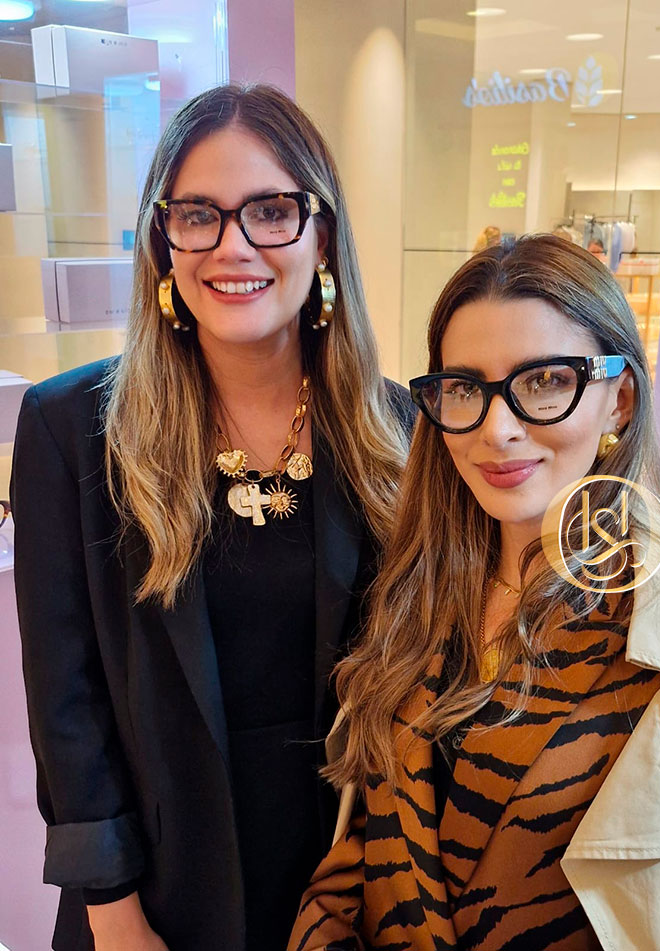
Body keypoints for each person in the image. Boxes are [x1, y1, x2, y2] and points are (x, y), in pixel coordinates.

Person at [11, 83, 414, 951]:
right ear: (163, 241)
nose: (234, 246)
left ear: (322, 235)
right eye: (198, 215)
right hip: (155, 892)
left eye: (270, 210)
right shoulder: (71, 430)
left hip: (349, 880)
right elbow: (66, 706)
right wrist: (113, 911)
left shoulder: (395, 431)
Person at [289, 234, 660, 951]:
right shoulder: (416, 592)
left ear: (619, 400)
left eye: (545, 381)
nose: (497, 428)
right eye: (465, 389)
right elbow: (366, 848)